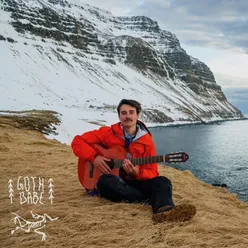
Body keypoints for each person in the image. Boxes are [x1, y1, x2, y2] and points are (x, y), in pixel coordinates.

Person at [71, 99, 196, 222]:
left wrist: (137, 173)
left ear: (137, 115)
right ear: (119, 116)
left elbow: (153, 172)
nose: (127, 116)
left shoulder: (146, 141)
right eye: (123, 113)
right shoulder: (107, 133)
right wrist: (94, 158)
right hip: (114, 181)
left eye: (131, 112)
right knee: (105, 181)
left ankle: (164, 210)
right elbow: (77, 141)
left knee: (162, 181)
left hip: (133, 182)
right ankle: (151, 199)